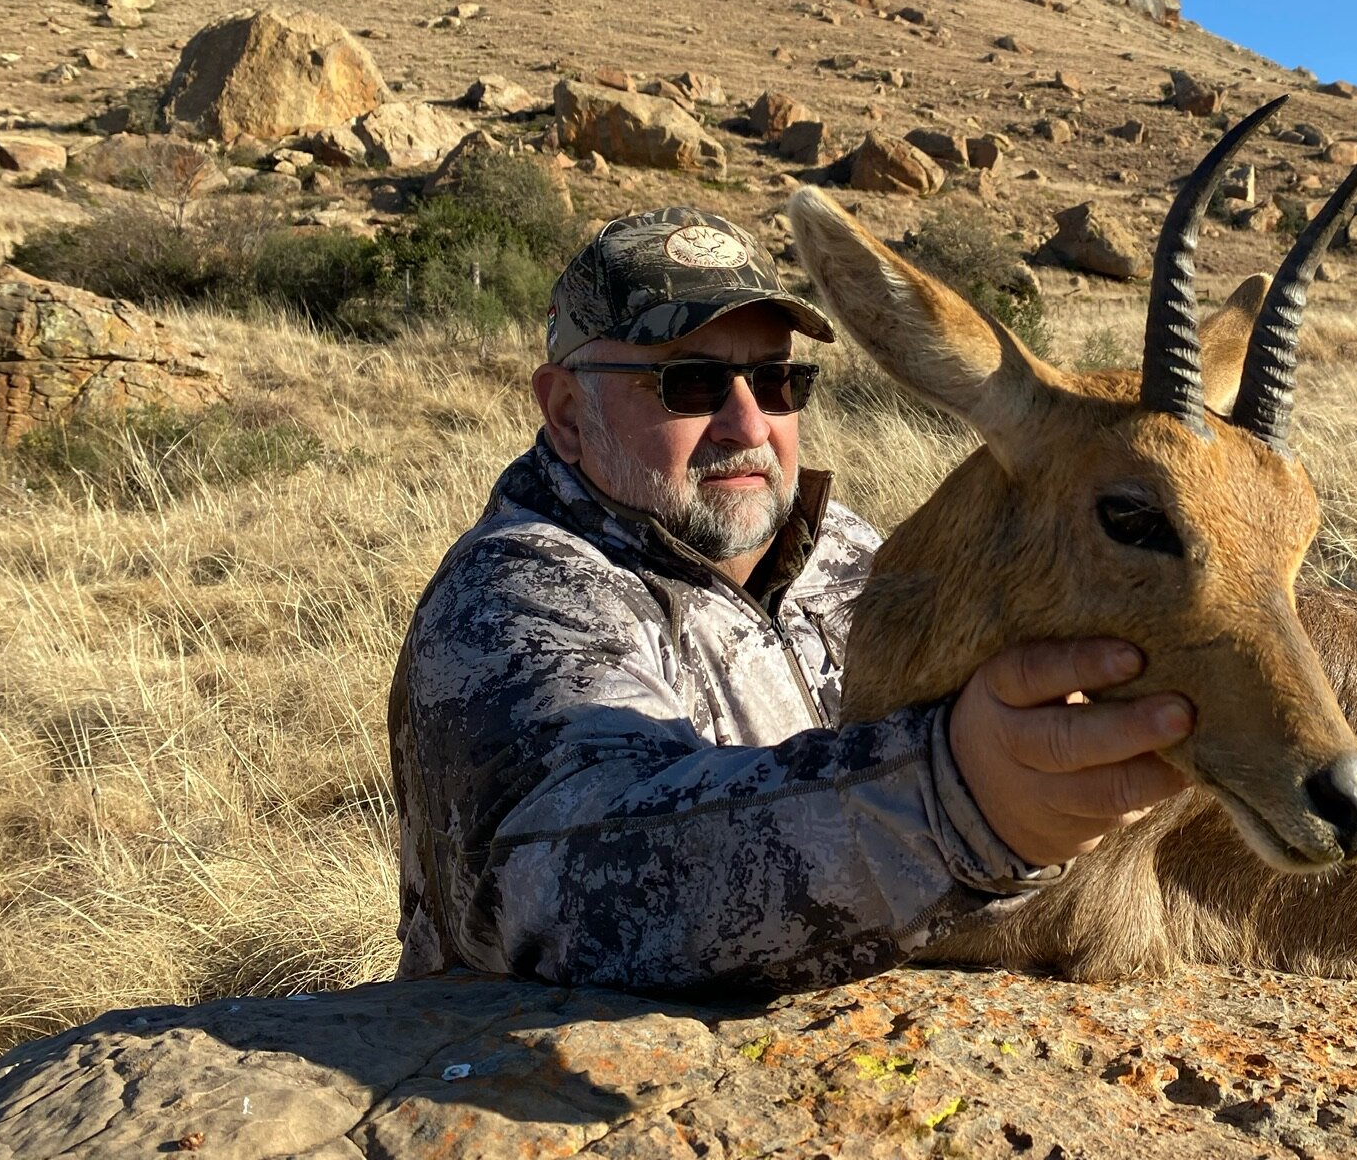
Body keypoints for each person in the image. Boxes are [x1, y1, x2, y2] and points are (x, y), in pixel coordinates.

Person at [389, 206, 1194, 994]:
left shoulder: (840, 549)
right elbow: (583, 875)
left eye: (777, 380)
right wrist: (957, 806)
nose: (748, 422)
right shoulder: (512, 600)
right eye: (691, 382)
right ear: (567, 413)